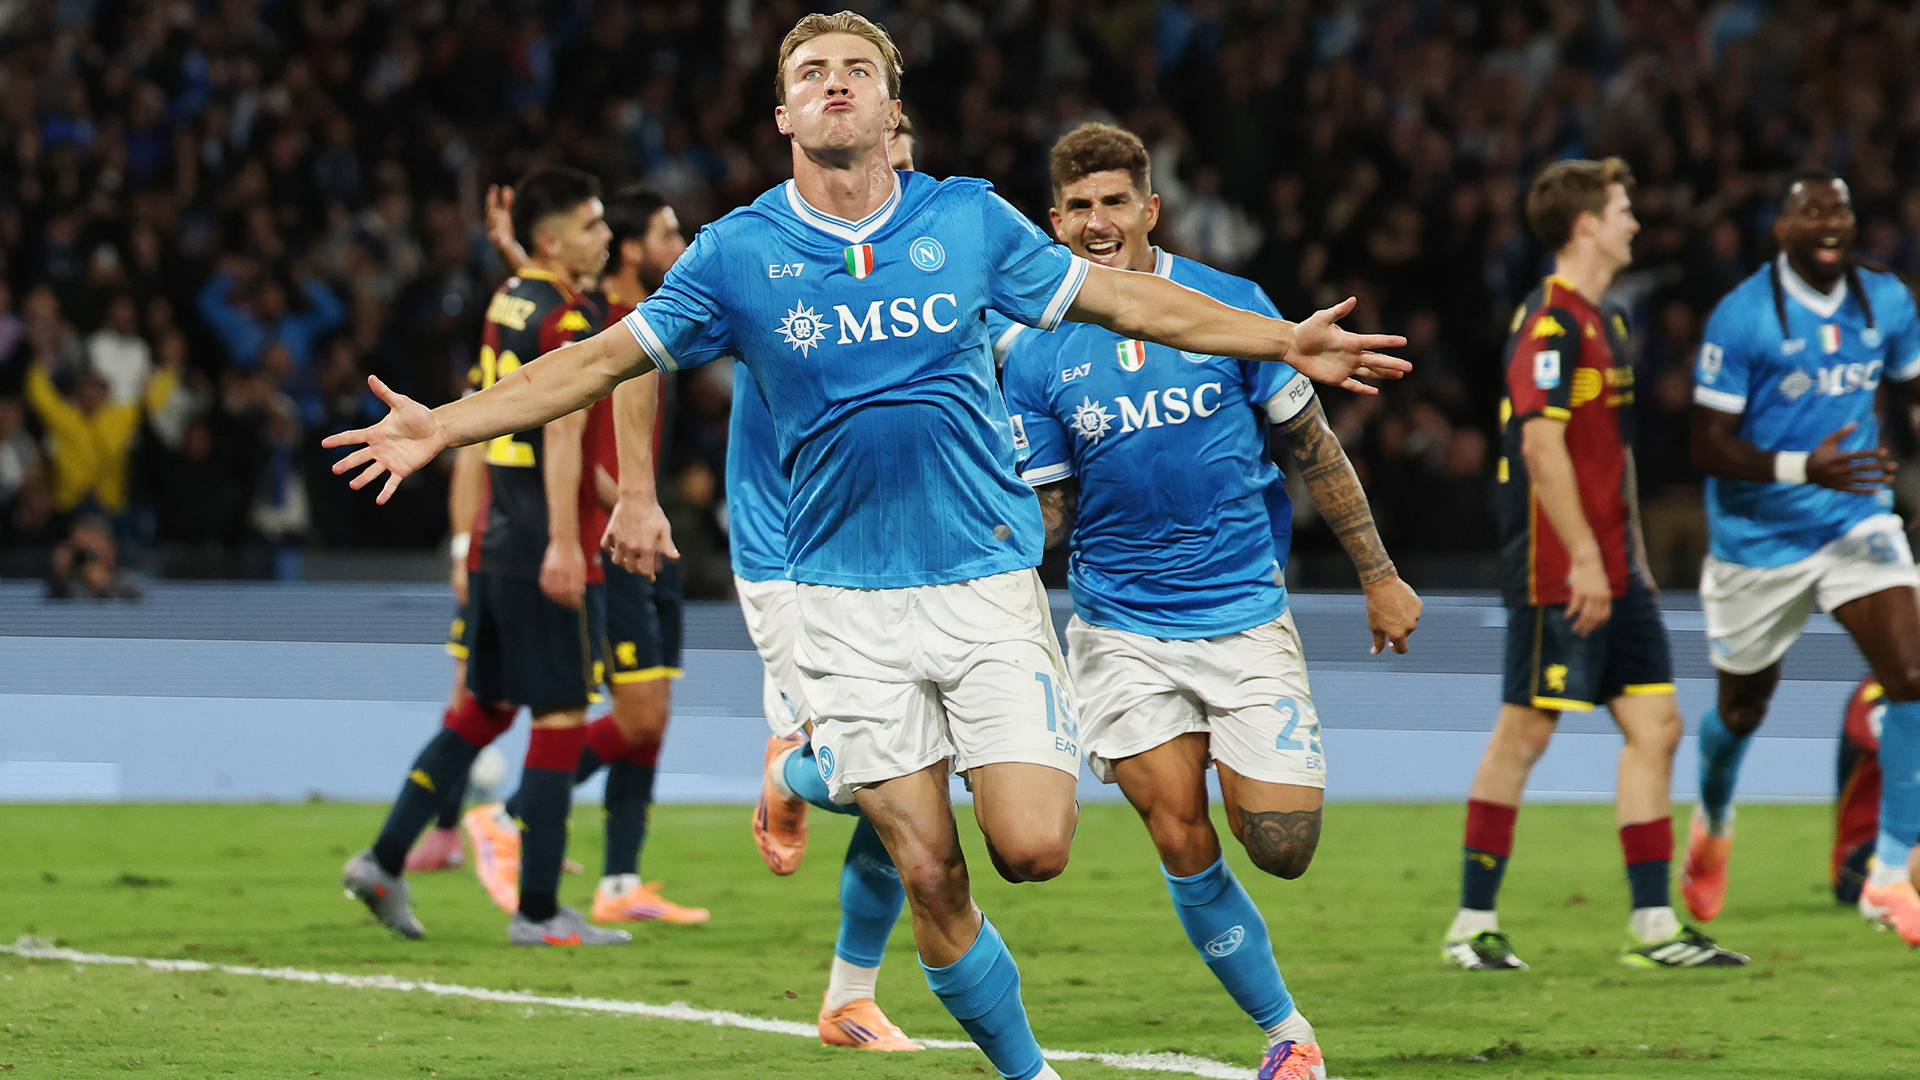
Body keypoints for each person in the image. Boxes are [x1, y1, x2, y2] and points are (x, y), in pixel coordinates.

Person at [326, 14, 1404, 1079]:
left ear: (893, 110)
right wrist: (445, 425)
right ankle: (1025, 1071)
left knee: (1033, 849)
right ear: (783, 114)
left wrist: (1283, 339)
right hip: (843, 604)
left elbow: (1125, 299)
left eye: (857, 69)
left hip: (985, 585)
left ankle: (809, 769)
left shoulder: (968, 221)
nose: (834, 82)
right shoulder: (738, 252)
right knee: (930, 871)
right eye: (811, 71)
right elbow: (602, 361)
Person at [997, 121, 1423, 1080]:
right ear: (1054, 223)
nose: (1097, 222)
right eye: (1078, 207)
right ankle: (1288, 1035)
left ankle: (1242, 770)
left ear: (1150, 209)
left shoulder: (1232, 307)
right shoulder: (1034, 351)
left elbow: (1312, 447)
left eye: (1114, 202)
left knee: (1281, 843)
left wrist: (1379, 573)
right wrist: (988, 539)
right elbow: (1051, 509)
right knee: (1178, 828)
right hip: (1120, 627)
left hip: (1242, 613)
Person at [1443, 157, 1748, 971]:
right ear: (1585, 225)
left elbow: (1611, 453)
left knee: (1658, 728)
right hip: (1557, 566)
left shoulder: (1606, 320)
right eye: (1621, 210)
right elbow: (1541, 448)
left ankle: (1653, 925)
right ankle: (1472, 923)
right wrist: (1583, 558)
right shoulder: (1549, 324)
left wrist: (1629, 556)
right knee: (1526, 730)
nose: (1634, 223)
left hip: (1615, 565)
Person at [340, 166, 630, 947]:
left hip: (497, 538)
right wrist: (568, 540)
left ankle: (383, 860)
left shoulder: (509, 298)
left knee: (485, 710)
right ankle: (538, 910)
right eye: (593, 223)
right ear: (553, 241)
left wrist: (515, 252)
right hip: (545, 543)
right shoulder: (568, 317)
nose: (606, 236)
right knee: (562, 715)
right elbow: (563, 428)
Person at [461, 182, 708, 926]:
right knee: (634, 715)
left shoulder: (655, 317)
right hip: (613, 533)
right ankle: (508, 817)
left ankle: (619, 881)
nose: (682, 249)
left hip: (644, 527)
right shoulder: (604, 322)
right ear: (631, 250)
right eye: (668, 235)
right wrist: (626, 508)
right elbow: (556, 325)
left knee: (653, 716)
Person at [1684, 168, 1920, 944]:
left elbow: (1914, 393)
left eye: (1839, 210)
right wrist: (1801, 467)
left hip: (1855, 520)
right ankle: (1715, 815)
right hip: (1758, 539)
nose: (1828, 223)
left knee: (1913, 675)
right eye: (1810, 212)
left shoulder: (1886, 300)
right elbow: (1705, 445)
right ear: (1782, 229)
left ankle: (1889, 875)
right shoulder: (1743, 316)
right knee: (1741, 710)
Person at [745, 123, 924, 1053]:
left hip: (906, 556)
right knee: (868, 779)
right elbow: (634, 351)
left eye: (907, 164)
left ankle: (851, 999)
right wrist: (641, 496)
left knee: (919, 776)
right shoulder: (760, 252)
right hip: (789, 552)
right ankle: (790, 769)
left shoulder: (932, 261)